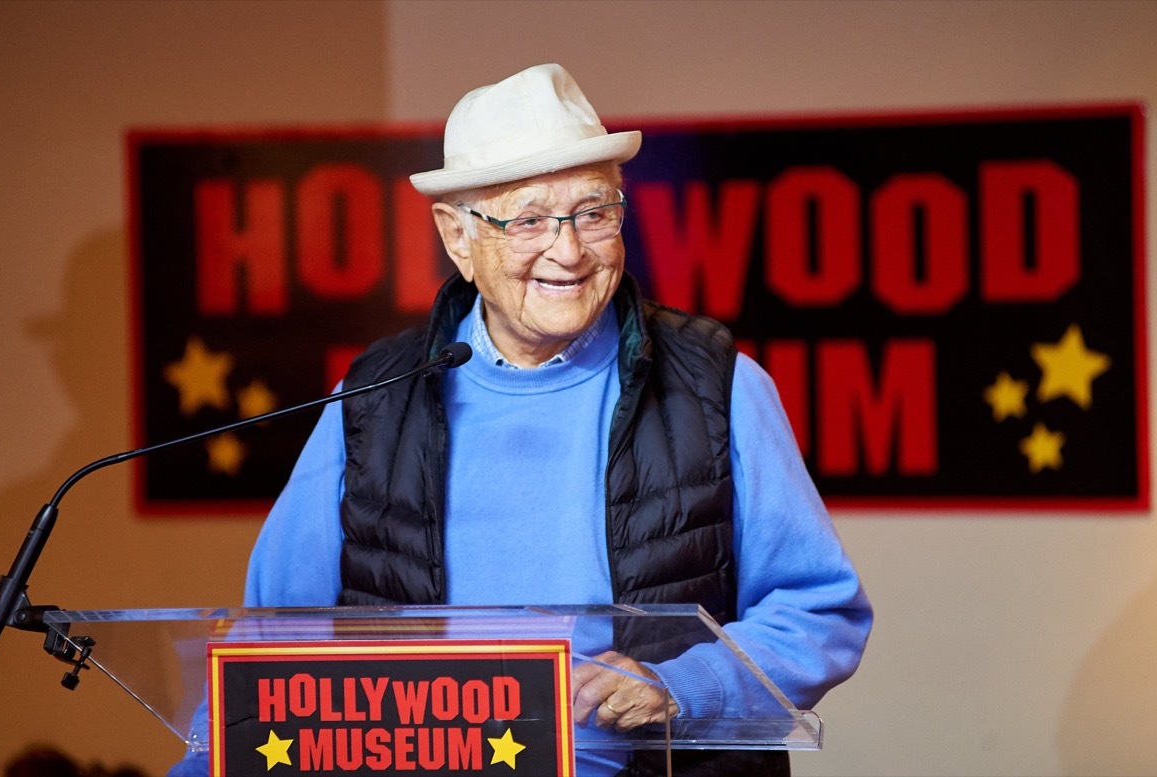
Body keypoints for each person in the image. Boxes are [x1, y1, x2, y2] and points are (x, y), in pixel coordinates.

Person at [183, 63, 872, 777]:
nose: (568, 250)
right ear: (457, 237)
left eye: (594, 212)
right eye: (530, 220)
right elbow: (266, 641)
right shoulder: (372, 400)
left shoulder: (715, 383)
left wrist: (680, 686)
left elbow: (821, 611)